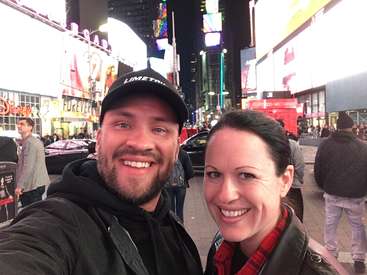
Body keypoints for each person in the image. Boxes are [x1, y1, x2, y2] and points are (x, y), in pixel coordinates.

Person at [0, 68, 203, 275]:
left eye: (159, 129)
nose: (141, 143)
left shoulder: (176, 231)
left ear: (177, 149)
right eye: (123, 124)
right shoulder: (59, 224)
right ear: (98, 141)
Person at [204, 110, 346, 275]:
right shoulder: (220, 248)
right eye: (214, 174)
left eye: (246, 175)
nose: (225, 195)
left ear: (285, 181)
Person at [314, 111, 367, 274]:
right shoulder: (362, 146)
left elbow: (318, 168)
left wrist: (324, 185)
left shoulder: (325, 144)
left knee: (330, 224)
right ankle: (358, 259)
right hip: (356, 195)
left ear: (337, 127)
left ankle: (330, 253)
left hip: (332, 192)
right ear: (351, 127)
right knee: (357, 226)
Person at [15, 118, 49, 207]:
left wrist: (20, 186)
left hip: (32, 186)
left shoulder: (29, 143)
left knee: (31, 214)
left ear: (30, 127)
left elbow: (28, 167)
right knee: (35, 213)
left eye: (22, 124)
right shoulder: (32, 141)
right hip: (36, 184)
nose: (19, 126)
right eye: (18, 124)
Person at [277, 119, 305, 221]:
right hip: (292, 186)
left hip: (275, 186)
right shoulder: (292, 145)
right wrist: (298, 180)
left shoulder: (268, 145)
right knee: (296, 217)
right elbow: (300, 165)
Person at [165, 147, 194, 223]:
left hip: (168, 186)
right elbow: (190, 172)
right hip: (181, 186)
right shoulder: (183, 154)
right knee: (180, 209)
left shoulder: (166, 153)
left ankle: (172, 228)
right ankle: (180, 228)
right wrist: (184, 179)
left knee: (171, 209)